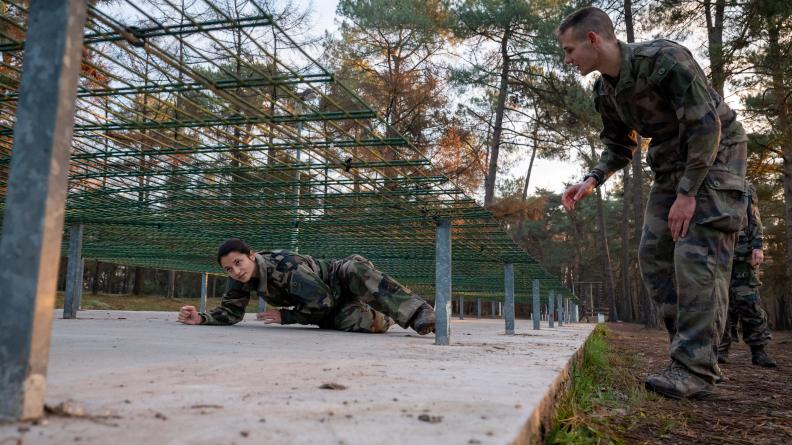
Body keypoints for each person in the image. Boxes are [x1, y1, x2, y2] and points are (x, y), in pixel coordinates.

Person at [557, 7, 748, 399]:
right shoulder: (605, 91)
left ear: (594, 40)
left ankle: (695, 367)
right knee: (653, 253)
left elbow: (705, 125)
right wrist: (592, 179)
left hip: (715, 156)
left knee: (697, 258)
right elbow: (619, 146)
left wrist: (688, 193)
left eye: (570, 49)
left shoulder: (664, 60)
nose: (567, 59)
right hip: (671, 164)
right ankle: (693, 356)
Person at [177, 238, 436, 335]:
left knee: (355, 270)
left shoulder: (285, 267)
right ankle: (390, 311)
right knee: (375, 325)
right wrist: (200, 318)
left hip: (338, 280)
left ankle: (420, 313)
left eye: (238, 263)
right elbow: (231, 311)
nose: (235, 271)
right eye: (228, 269)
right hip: (325, 305)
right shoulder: (239, 278)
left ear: (251, 255)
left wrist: (286, 316)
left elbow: (322, 299)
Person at [718, 183, 776, 367]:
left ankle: (759, 350)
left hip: (743, 254)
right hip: (719, 253)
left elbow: (754, 218)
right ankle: (720, 349)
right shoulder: (711, 182)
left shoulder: (746, 186)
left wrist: (758, 246)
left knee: (748, 301)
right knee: (721, 304)